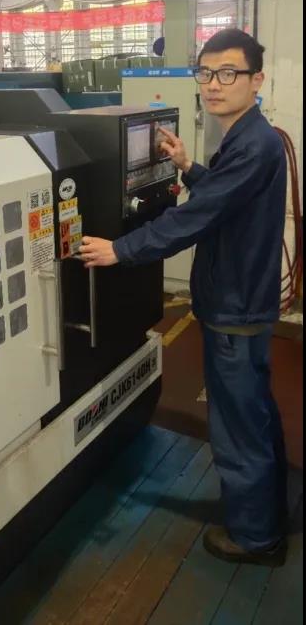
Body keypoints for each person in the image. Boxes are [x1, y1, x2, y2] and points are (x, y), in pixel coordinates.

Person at [79, 28, 288, 567]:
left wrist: (120, 250)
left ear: (256, 80)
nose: (214, 84)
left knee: (237, 425)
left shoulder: (254, 144)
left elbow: (197, 217)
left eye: (229, 73)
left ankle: (256, 537)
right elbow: (224, 194)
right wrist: (189, 167)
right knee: (254, 413)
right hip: (243, 299)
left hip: (235, 307)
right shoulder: (248, 137)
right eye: (206, 73)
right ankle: (269, 511)